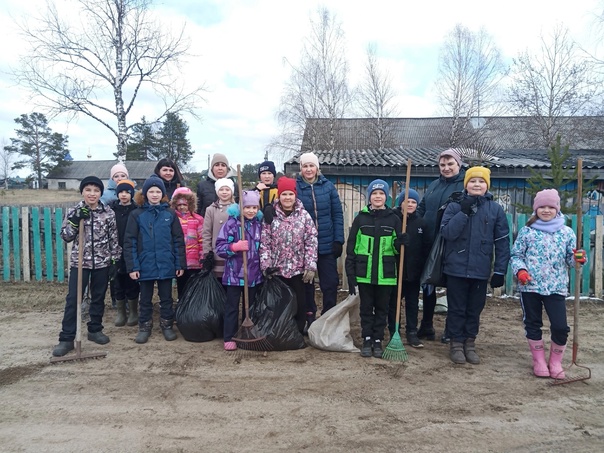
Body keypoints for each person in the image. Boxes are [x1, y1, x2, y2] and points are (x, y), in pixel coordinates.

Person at [510, 189, 586, 379]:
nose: (546, 210)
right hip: (530, 286)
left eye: (550, 207)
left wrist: (578, 259)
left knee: (560, 327)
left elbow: (570, 259)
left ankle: (555, 362)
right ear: (536, 209)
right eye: (542, 207)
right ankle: (539, 361)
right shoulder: (528, 232)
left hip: (556, 287)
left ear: (557, 209)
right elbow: (516, 255)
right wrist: (521, 271)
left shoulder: (567, 232)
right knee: (533, 323)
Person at [440, 166, 510, 365]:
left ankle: (469, 344)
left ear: (487, 185)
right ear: (466, 184)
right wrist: (463, 212)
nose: (476, 184)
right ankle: (455, 344)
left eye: (481, 181)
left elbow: (503, 240)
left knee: (474, 309)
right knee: (456, 309)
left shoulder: (495, 209)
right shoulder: (454, 205)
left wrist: (500, 270)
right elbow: (447, 233)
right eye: (472, 181)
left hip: (480, 270)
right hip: (456, 268)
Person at [52, 176, 121, 357]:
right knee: (74, 299)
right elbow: (65, 236)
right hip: (80, 263)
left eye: (96, 190)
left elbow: (114, 238)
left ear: (101, 193)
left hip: (102, 262)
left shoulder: (108, 212)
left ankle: (95, 329)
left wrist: (115, 260)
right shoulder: (74, 210)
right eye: (88, 190)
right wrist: (75, 221)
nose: (92, 194)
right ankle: (67, 338)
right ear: (82, 191)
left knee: (98, 297)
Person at [346, 179, 405, 358]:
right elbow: (352, 249)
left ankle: (378, 340)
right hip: (364, 274)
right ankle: (367, 338)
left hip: (385, 275)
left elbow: (397, 252)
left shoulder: (394, 220)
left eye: (381, 193)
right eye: (374, 193)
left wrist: (401, 243)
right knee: (366, 308)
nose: (378, 197)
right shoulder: (360, 219)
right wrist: (351, 275)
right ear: (369, 196)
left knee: (382, 309)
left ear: (386, 196)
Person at [124, 174, 186, 344]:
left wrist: (179, 263)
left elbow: (178, 239)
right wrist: (133, 267)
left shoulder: (170, 214)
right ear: (145, 194)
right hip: (145, 265)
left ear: (163, 194)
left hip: (166, 263)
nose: (154, 194)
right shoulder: (137, 215)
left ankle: (167, 325)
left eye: (158, 191)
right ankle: (144, 327)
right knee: (145, 298)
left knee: (166, 297)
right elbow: (130, 241)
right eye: (151, 191)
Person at [416, 148, 466, 344]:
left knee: (452, 286)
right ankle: (426, 324)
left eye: (450, 164)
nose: (446, 168)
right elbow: (423, 207)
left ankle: (450, 329)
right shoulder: (434, 185)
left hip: (451, 243)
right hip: (429, 241)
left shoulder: (464, 185)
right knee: (428, 283)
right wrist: (413, 221)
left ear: (458, 165)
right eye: (442, 165)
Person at [259, 177, 318, 334]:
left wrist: (310, 265)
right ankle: (279, 333)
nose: (287, 198)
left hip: (298, 270)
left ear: (295, 196)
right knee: (279, 304)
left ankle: (297, 332)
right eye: (284, 194)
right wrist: (266, 266)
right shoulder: (271, 216)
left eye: (290, 194)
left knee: (300, 303)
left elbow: (311, 241)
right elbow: (265, 243)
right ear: (279, 196)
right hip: (277, 270)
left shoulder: (304, 216)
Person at [295, 152, 344, 329]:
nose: (308, 169)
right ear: (301, 168)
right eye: (305, 166)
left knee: (330, 283)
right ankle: (309, 317)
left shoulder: (328, 187)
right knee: (306, 283)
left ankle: (328, 317)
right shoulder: (296, 187)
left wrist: (338, 240)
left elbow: (337, 214)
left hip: (326, 244)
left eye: (311, 166)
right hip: (304, 246)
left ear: (317, 168)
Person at [215, 190, 264, 351]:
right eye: (247, 207)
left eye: (254, 207)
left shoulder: (259, 225)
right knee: (232, 307)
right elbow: (220, 247)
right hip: (234, 275)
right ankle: (229, 337)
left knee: (250, 307)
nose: (251, 211)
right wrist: (234, 247)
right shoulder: (232, 224)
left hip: (253, 274)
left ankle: (246, 334)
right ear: (240, 207)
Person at [388, 188, 432, 348]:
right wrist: (397, 243)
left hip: (413, 272)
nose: (411, 204)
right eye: (407, 201)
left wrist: (422, 268)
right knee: (393, 303)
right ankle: (394, 330)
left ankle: (412, 332)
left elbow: (426, 248)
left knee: (412, 303)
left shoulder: (421, 223)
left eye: (414, 202)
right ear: (401, 203)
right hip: (395, 271)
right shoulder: (394, 220)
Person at [109, 179, 140, 328]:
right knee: (117, 281)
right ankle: (121, 312)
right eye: (121, 192)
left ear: (132, 194)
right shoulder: (112, 210)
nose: (124, 195)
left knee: (132, 281)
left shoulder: (136, 210)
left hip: (132, 250)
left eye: (127, 192)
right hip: (115, 250)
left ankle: (133, 311)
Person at [171, 187, 205, 301]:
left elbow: (201, 239)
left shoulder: (198, 219)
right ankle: (181, 305)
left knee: (193, 286)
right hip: (180, 261)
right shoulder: (173, 219)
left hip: (194, 261)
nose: (182, 207)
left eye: (185, 205)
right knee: (181, 285)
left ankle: (192, 308)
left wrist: (202, 256)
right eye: (179, 205)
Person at [202, 178, 236, 284]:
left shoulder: (237, 209)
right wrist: (207, 252)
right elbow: (207, 232)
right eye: (222, 190)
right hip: (216, 251)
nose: (224, 192)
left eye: (227, 189)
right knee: (218, 281)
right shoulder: (211, 209)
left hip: (232, 251)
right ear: (217, 192)